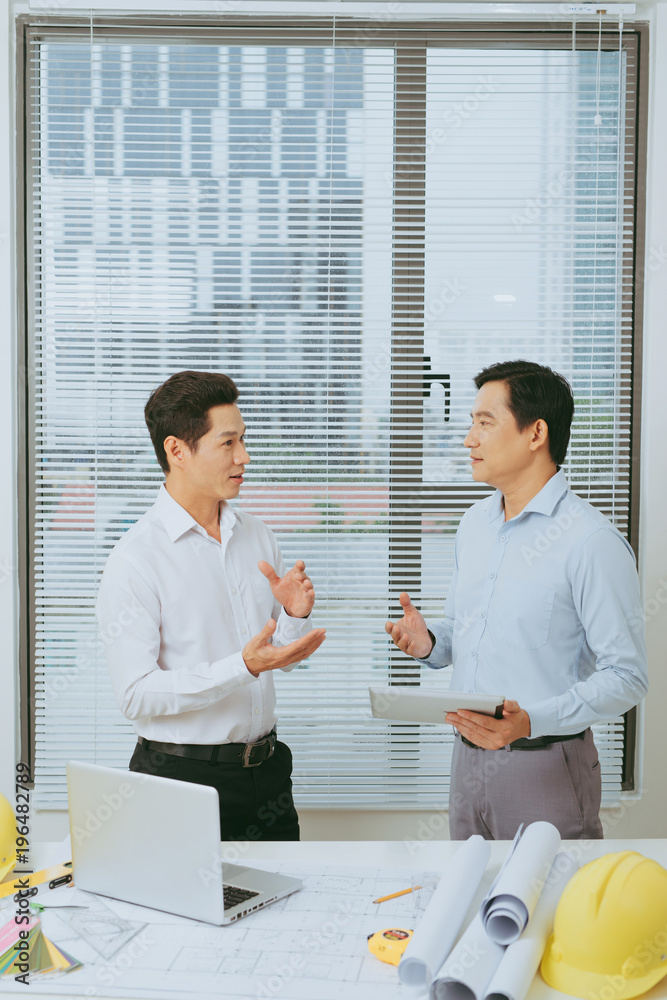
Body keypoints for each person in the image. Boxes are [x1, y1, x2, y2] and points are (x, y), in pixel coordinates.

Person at [385, 359, 647, 840]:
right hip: (467, 760)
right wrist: (429, 643)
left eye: (485, 423)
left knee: (548, 911)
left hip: (545, 764)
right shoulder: (474, 525)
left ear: (536, 434)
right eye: (471, 424)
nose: (469, 439)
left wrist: (531, 722)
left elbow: (628, 676)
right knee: (471, 902)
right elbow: (468, 635)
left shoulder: (590, 541)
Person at [97, 370, 326, 841]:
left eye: (243, 439)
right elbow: (136, 695)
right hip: (179, 780)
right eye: (228, 443)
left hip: (268, 773)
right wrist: (241, 665)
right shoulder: (137, 557)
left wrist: (293, 618)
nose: (244, 456)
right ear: (177, 450)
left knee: (281, 907)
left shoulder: (257, 535)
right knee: (180, 915)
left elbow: (276, 660)